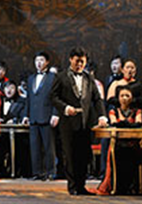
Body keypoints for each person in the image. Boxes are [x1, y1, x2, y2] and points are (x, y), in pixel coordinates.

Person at [50, 47, 108, 196]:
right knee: (70, 155)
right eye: (77, 61)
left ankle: (81, 186)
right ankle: (73, 186)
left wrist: (102, 116)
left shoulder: (89, 78)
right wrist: (65, 108)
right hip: (68, 123)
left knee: (84, 155)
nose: (80, 65)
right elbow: (53, 97)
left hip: (85, 122)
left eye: (82, 62)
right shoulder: (61, 77)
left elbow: (97, 98)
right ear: (70, 60)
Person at [96, 86, 142, 195]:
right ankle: (117, 186)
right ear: (118, 98)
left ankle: (134, 186)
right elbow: (114, 124)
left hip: (133, 144)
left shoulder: (137, 111)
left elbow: (138, 124)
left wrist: (123, 123)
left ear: (132, 98)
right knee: (117, 152)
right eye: (122, 96)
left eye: (127, 96)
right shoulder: (113, 111)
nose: (124, 98)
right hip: (118, 144)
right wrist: (128, 124)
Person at [24, 51, 58, 181]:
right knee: (35, 146)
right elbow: (29, 98)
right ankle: (37, 172)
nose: (39, 63)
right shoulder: (31, 78)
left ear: (47, 62)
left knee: (49, 146)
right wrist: (26, 115)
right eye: (37, 60)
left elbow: (57, 98)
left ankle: (51, 171)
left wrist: (55, 114)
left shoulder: (53, 77)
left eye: (41, 60)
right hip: (33, 116)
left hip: (47, 116)